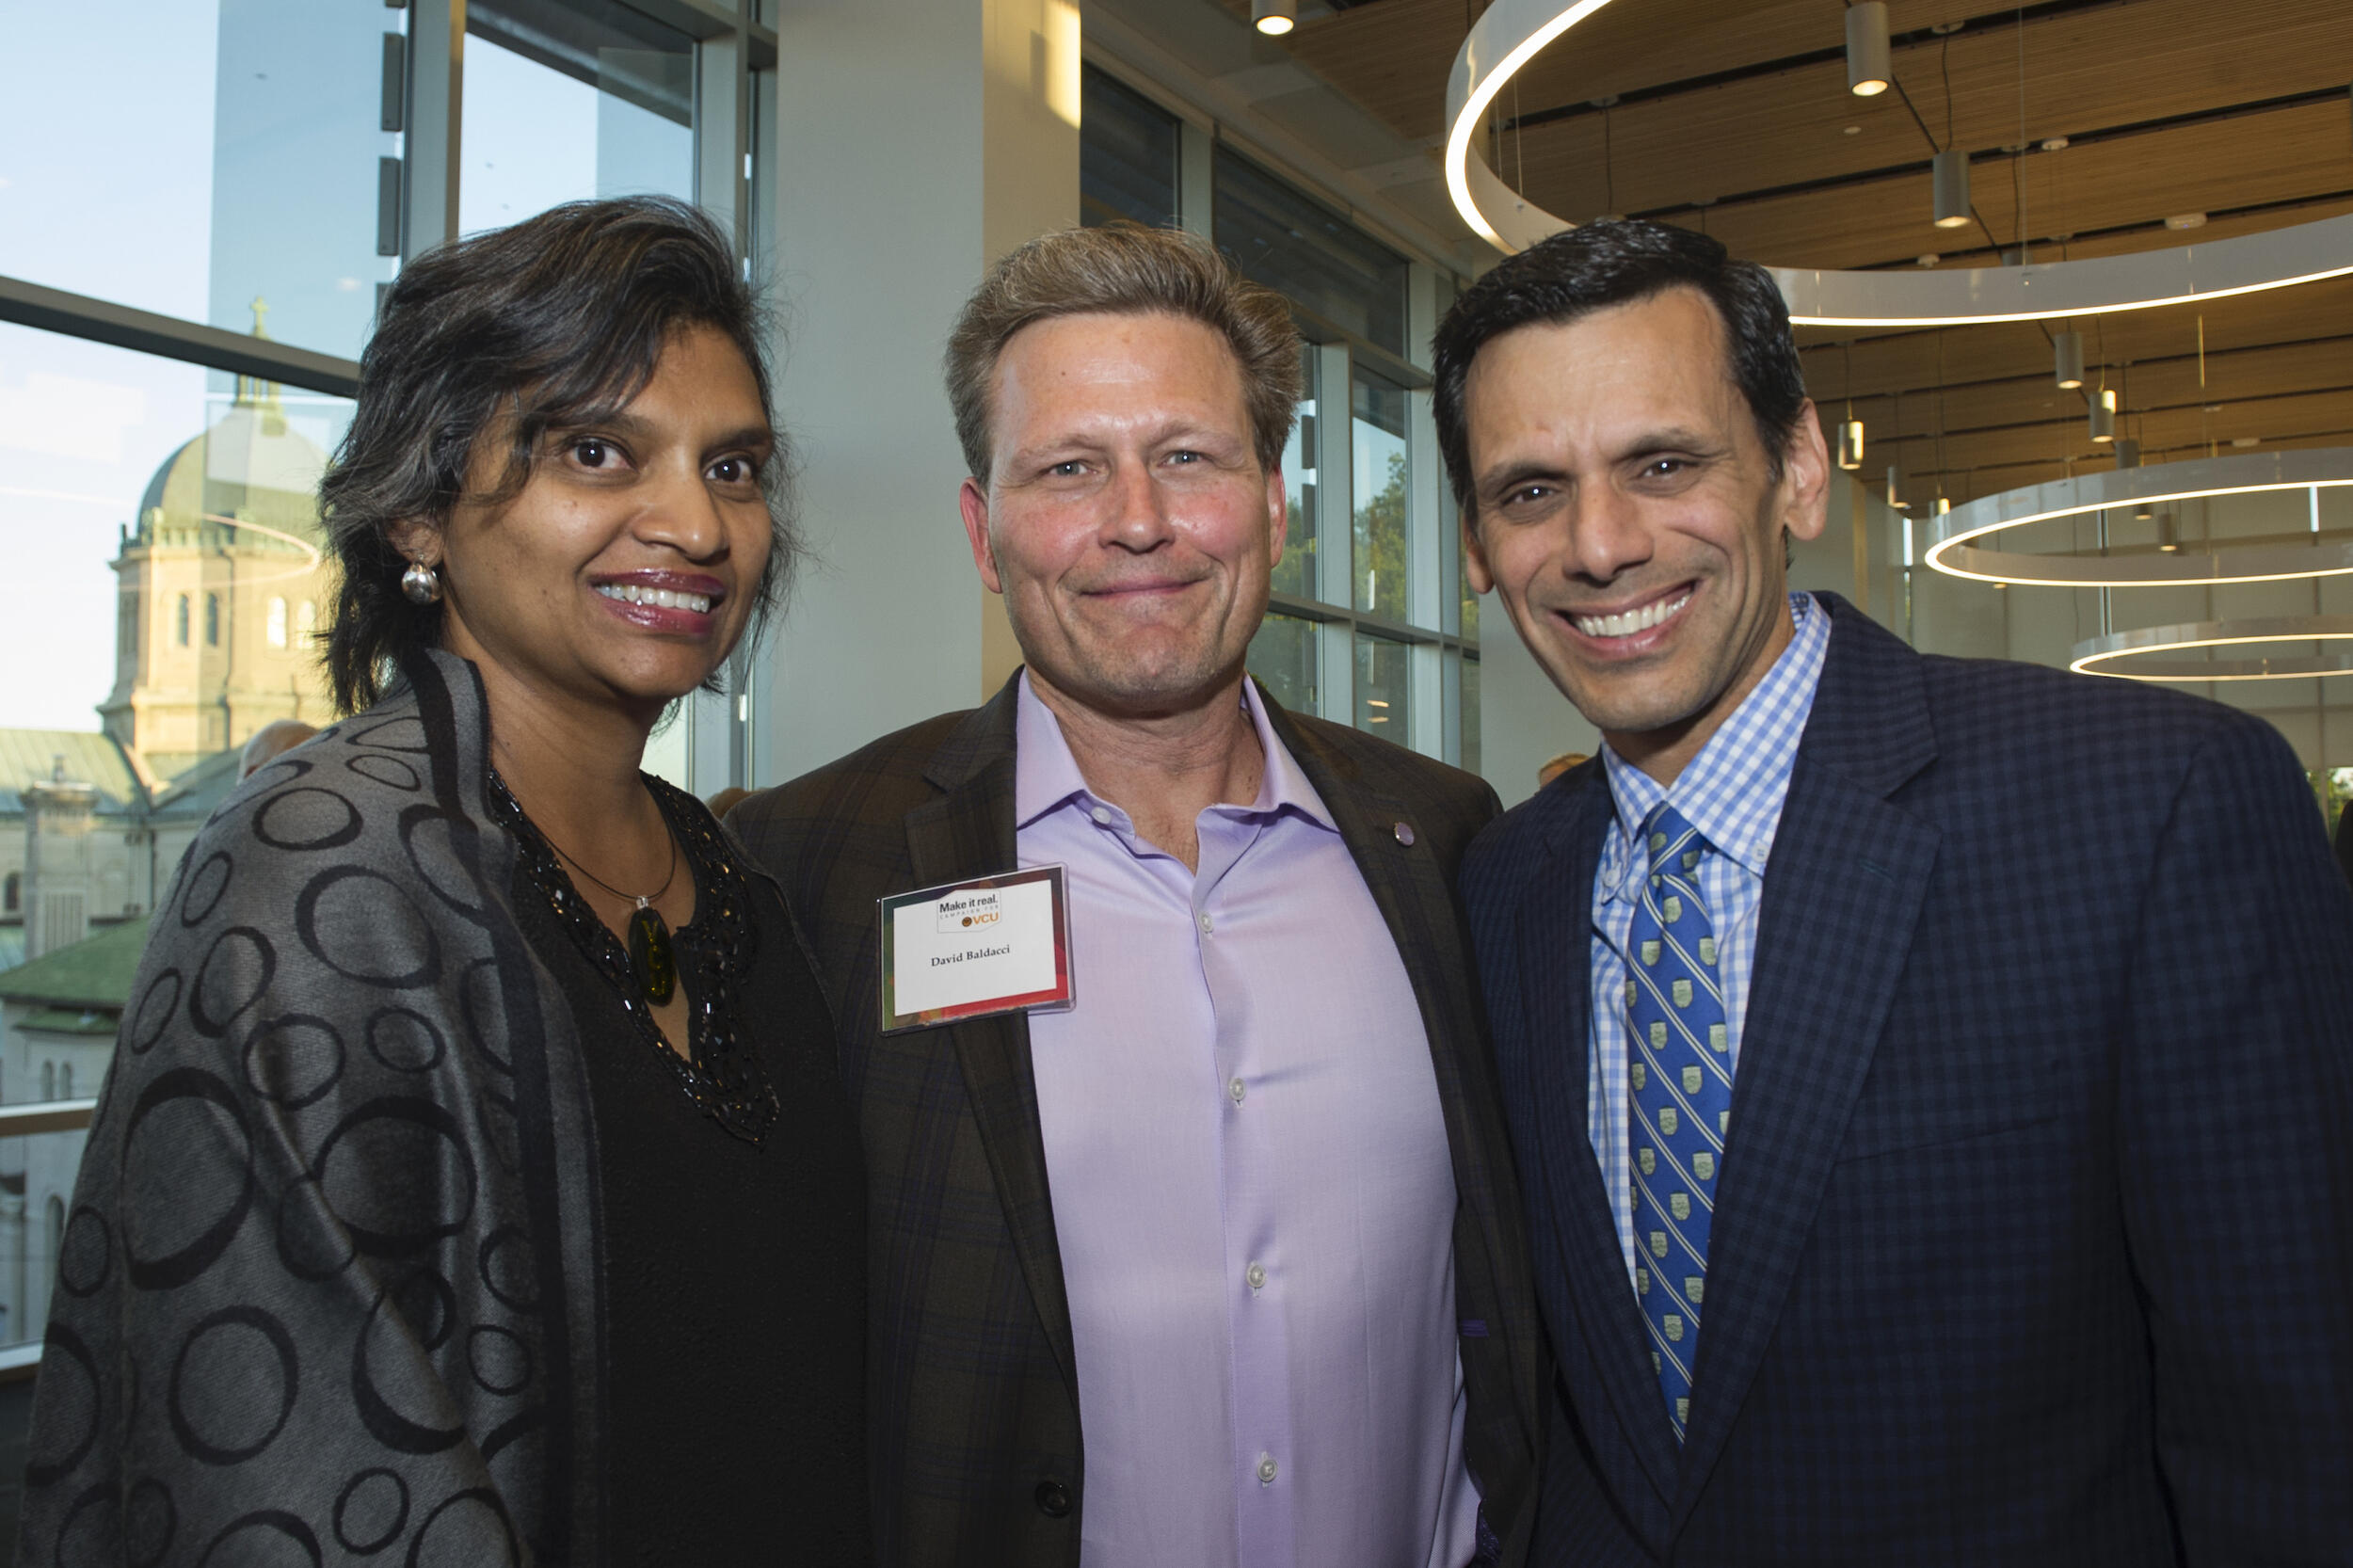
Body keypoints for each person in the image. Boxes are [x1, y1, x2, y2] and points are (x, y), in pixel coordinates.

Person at [1433, 217, 2353, 1565]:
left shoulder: (2152, 807)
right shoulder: (1504, 884)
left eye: (1665, 462)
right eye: (1529, 491)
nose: (1601, 543)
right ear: (1474, 540)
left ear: (1797, 469)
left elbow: (2297, 1431)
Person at [19, 197, 867, 1566]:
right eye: (599, 450)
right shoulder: (319, 876)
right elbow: (268, 1457)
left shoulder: (733, 888)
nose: (693, 525)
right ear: (420, 508)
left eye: (735, 467)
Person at [729, 223, 1542, 1568]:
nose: (1138, 521)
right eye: (1068, 468)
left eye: (1187, 456)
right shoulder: (813, 865)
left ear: (1273, 504)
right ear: (984, 532)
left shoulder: (1444, 841)